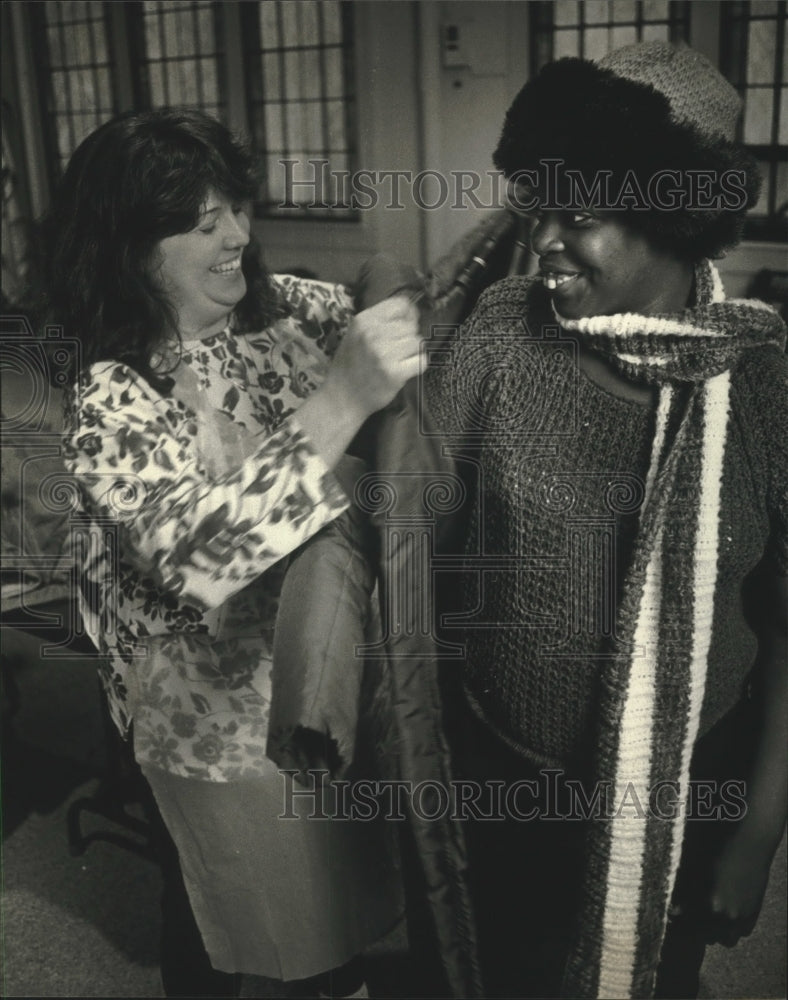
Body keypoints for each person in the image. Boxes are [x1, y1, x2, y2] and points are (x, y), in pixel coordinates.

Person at [424, 42, 787, 999]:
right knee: (509, 970)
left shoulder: (760, 383)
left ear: (676, 219)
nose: (541, 240)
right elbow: (415, 533)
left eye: (576, 215)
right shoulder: (502, 334)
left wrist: (759, 830)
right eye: (534, 205)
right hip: (508, 775)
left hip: (688, 785)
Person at [46, 108, 422, 998]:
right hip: (209, 716)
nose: (238, 237)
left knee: (332, 907)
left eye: (236, 209)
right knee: (225, 916)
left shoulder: (284, 308)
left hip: (312, 679)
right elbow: (205, 557)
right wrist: (341, 399)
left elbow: (378, 299)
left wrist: (398, 301)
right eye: (201, 221)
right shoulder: (112, 398)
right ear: (131, 247)